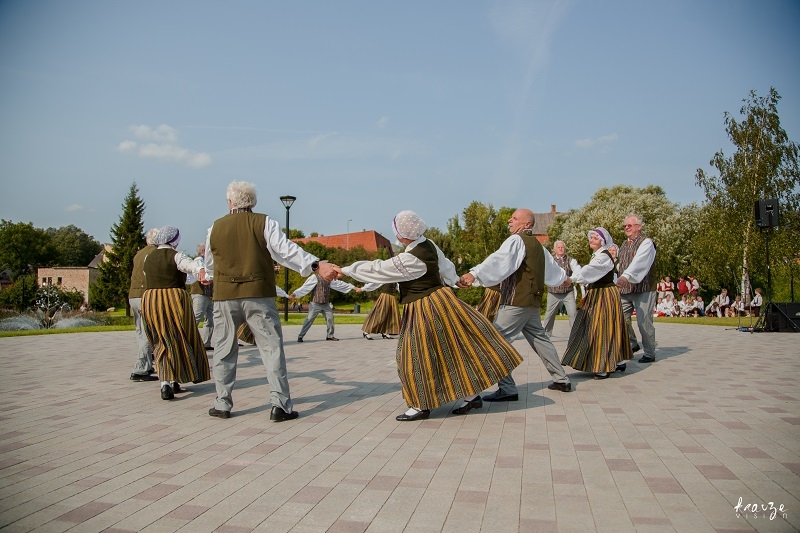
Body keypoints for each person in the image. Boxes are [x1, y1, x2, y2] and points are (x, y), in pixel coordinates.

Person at [341, 210, 523, 421]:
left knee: (412, 356)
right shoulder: (427, 244)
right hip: (440, 302)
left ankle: (421, 404)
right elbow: (446, 265)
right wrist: (454, 279)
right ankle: (471, 396)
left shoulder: (411, 258)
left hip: (425, 307)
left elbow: (379, 269)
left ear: (401, 234)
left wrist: (345, 270)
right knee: (449, 351)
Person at [204, 180, 340, 421]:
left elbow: (210, 264)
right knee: (271, 348)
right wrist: (316, 265)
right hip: (258, 292)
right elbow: (285, 250)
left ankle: (222, 403)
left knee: (224, 348)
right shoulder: (264, 222)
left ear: (230, 203)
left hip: (225, 295)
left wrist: (210, 276)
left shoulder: (214, 228)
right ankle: (280, 405)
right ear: (252, 202)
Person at [457, 208, 573, 399]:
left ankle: (508, 389)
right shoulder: (539, 247)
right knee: (541, 340)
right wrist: (566, 279)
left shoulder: (516, 241)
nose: (510, 220)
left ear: (526, 224)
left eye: (515, 218)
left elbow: (499, 261)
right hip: (532, 304)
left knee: (495, 342)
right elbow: (554, 271)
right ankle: (562, 380)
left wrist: (474, 274)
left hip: (515, 303)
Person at [141, 226, 210, 400]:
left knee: (160, 339)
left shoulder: (148, 258)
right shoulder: (176, 255)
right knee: (179, 336)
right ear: (175, 241)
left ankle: (166, 382)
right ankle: (177, 377)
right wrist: (201, 270)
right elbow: (191, 266)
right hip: (173, 297)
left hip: (150, 299)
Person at [561, 228, 630, 379]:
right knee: (596, 326)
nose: (592, 240)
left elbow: (589, 271)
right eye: (591, 238)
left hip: (604, 294)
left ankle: (604, 366)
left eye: (595, 238)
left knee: (601, 327)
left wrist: (571, 279)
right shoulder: (598, 255)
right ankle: (617, 360)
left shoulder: (603, 257)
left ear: (603, 241)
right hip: (597, 293)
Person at [616, 213, 657, 363]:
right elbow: (620, 264)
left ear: (638, 227)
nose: (626, 228)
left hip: (644, 288)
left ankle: (650, 352)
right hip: (626, 290)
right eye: (625, 226)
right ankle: (632, 343)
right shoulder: (623, 245)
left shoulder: (646, 243)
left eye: (630, 225)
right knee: (620, 318)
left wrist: (625, 276)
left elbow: (639, 263)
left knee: (643, 321)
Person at [128, 227, 159, 382]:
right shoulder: (154, 253)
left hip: (133, 295)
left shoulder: (139, 253)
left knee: (141, 332)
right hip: (146, 296)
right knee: (149, 333)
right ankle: (141, 369)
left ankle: (145, 363)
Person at [292, 274, 359, 342]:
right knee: (309, 320)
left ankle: (330, 336)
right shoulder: (315, 277)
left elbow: (339, 284)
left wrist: (353, 287)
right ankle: (300, 336)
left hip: (325, 304)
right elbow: (305, 287)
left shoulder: (329, 278)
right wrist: (295, 294)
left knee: (330, 318)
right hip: (315, 304)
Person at [542, 240, 581, 338]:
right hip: (553, 292)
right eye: (558, 247)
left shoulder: (571, 260)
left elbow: (578, 271)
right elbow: (545, 272)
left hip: (568, 292)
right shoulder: (550, 260)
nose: (560, 249)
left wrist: (571, 279)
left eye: (562, 247)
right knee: (549, 315)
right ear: (555, 249)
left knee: (573, 313)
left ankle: (575, 335)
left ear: (565, 249)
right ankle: (545, 335)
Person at [189, 242, 214, 350]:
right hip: (199, 293)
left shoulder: (205, 260)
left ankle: (206, 343)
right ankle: (188, 341)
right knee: (197, 317)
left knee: (211, 318)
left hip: (207, 294)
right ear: (203, 251)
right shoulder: (198, 260)